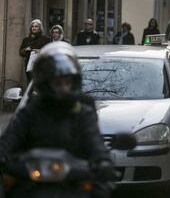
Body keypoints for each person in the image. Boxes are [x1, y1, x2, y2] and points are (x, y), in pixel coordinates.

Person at [0, 42, 114, 197]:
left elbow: (94, 140)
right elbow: (11, 137)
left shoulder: (82, 112)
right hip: (31, 184)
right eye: (58, 83)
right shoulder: (30, 112)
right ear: (46, 83)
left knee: (101, 190)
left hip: (74, 181)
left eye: (67, 83)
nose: (63, 88)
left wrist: (103, 161)